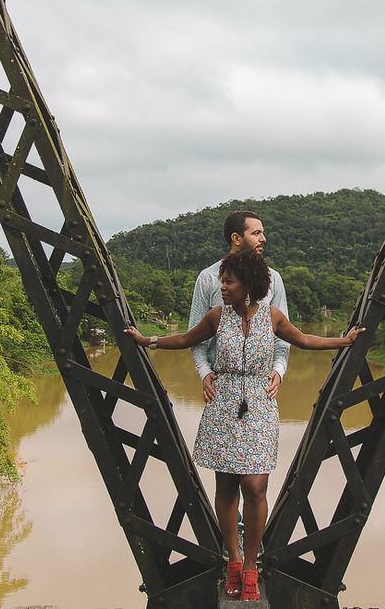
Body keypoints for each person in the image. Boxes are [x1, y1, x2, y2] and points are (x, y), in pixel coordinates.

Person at [124, 248, 361, 601]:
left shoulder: (273, 317)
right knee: (226, 485)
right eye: (222, 281)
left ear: (248, 284)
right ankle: (234, 561)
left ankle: (252, 564)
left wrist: (344, 341)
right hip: (223, 405)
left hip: (260, 406)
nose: (222, 287)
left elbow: (304, 340)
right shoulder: (217, 317)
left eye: (228, 282)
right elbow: (186, 339)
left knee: (254, 486)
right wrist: (148, 341)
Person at [190, 210, 289, 405]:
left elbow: (283, 336)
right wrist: (204, 372)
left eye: (262, 233)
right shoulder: (208, 278)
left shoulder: (273, 279)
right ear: (236, 238)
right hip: (219, 388)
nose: (263, 239)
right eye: (256, 233)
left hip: (262, 388)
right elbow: (193, 334)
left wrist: (278, 370)